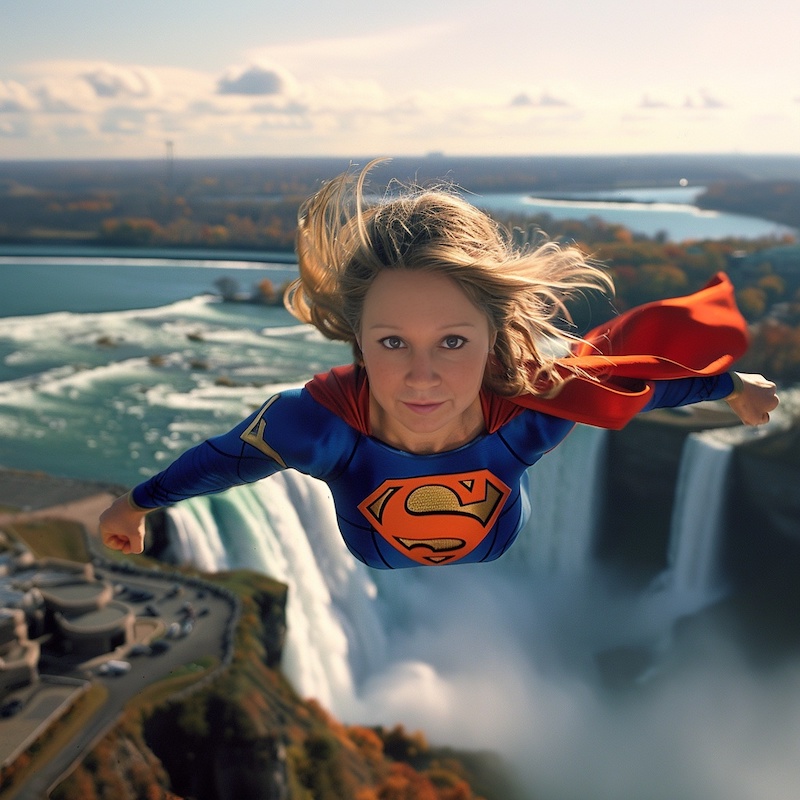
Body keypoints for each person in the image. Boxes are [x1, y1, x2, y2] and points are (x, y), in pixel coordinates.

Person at [99, 162, 779, 569]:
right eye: (393, 343)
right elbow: (221, 459)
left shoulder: (533, 406)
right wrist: (135, 502)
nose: (421, 376)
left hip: (477, 541)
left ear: (495, 335)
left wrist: (731, 384)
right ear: (355, 340)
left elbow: (634, 382)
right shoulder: (317, 424)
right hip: (473, 536)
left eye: (452, 342)